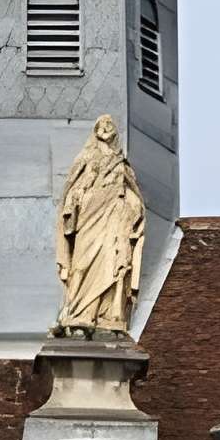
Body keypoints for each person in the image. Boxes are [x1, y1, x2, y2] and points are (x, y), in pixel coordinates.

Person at [52, 115, 145, 337]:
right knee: (82, 265)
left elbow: (135, 198)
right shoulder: (86, 157)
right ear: (95, 132)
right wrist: (75, 201)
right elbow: (72, 190)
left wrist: (132, 211)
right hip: (89, 219)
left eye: (109, 125)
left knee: (111, 267)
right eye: (101, 126)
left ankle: (105, 316)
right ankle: (76, 311)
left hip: (112, 223)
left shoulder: (122, 165)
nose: (105, 128)